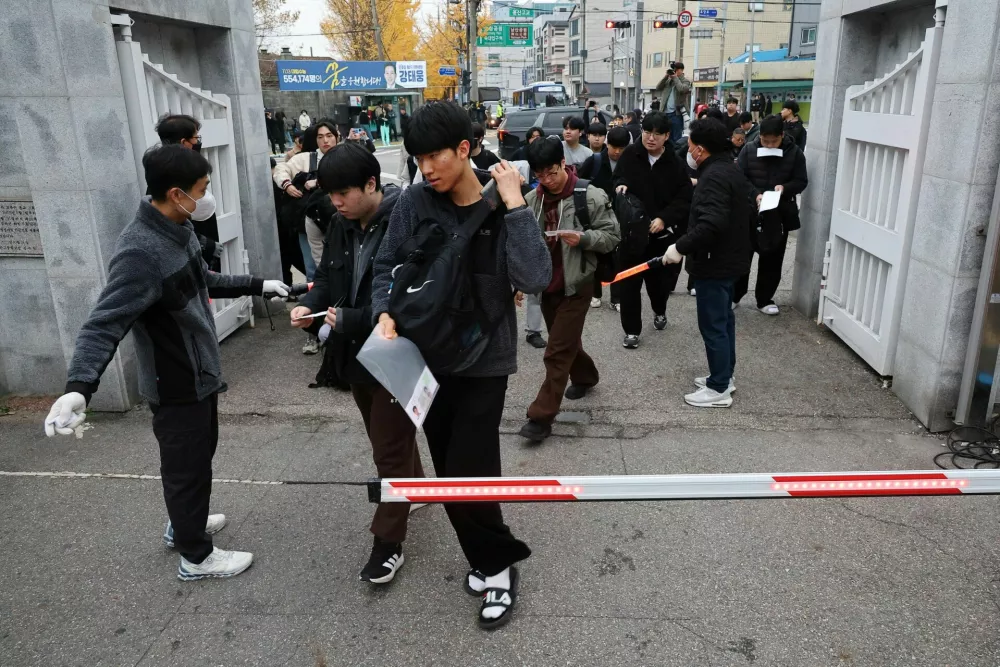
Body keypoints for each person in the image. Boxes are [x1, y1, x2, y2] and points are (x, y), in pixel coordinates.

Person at [44, 144, 288, 580]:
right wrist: (79, 386)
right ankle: (196, 557)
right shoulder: (139, 252)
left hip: (201, 373)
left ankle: (184, 525)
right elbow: (103, 323)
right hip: (174, 381)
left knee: (198, 458)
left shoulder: (179, 228)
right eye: (203, 189)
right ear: (177, 194)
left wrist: (258, 284)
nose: (207, 197)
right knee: (185, 468)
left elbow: (204, 279)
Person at [370, 100, 551, 629]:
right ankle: (488, 556)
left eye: (436, 156)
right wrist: (383, 310)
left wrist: (516, 206)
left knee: (470, 468)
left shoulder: (502, 203)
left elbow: (535, 278)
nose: (427, 169)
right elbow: (386, 263)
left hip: (484, 360)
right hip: (424, 358)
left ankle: (497, 567)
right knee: (449, 473)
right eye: (418, 159)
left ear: (465, 149)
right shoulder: (413, 202)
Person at [289, 143, 422, 584]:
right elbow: (327, 278)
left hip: (396, 351)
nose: (336, 202)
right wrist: (309, 307)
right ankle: (417, 485)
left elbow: (411, 299)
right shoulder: (339, 223)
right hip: (353, 355)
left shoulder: (407, 221)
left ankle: (388, 544)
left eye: (343, 193)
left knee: (388, 451)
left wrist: (352, 319)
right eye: (330, 194)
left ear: (371, 184)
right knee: (386, 438)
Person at [519, 136, 620, 442]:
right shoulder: (532, 200)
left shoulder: (589, 196)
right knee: (566, 341)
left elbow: (612, 236)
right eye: (539, 175)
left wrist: (584, 238)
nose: (546, 180)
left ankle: (541, 417)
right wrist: (518, 283)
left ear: (563, 163)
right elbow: (523, 245)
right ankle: (586, 376)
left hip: (578, 283)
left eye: (551, 173)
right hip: (547, 285)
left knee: (556, 350)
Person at [661, 118, 751, 408]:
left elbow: (711, 223)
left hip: (715, 262)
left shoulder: (714, 177)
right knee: (723, 321)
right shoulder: (728, 168)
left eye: (689, 146)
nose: (688, 151)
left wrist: (679, 247)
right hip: (729, 259)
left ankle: (718, 388)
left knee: (714, 325)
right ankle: (724, 375)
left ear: (700, 149)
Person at [612, 111, 693, 349]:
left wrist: (664, 219)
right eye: (647, 132)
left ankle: (659, 310)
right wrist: (620, 185)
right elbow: (617, 178)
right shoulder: (630, 154)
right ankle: (631, 331)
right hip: (631, 233)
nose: (651, 138)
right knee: (629, 284)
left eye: (657, 134)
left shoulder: (675, 163)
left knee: (658, 285)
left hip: (660, 236)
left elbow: (684, 198)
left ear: (667, 136)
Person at [273, 119, 340, 354]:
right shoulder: (306, 159)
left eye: (329, 135)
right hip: (311, 222)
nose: (325, 141)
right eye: (320, 137)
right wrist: (286, 184)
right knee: (314, 273)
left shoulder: (346, 156)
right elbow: (281, 169)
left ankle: (338, 326)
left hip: (342, 222)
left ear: (337, 136)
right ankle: (314, 331)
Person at [734, 114, 808, 315]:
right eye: (765, 140)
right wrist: (754, 195)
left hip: (778, 213)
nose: (768, 145)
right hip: (749, 212)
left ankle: (764, 299)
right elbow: (739, 178)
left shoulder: (794, 153)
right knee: (742, 255)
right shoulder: (749, 149)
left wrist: (785, 188)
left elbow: (801, 180)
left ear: (782, 135)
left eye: (773, 141)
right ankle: (734, 295)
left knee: (773, 258)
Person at [153, 114, 222, 270]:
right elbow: (164, 220)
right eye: (196, 138)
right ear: (184, 142)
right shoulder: (166, 172)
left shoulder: (186, 166)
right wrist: (204, 243)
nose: (198, 142)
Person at [578, 123, 613, 309]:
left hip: (612, 210)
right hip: (591, 211)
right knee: (594, 253)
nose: (597, 138)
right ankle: (595, 293)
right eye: (594, 134)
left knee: (613, 254)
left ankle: (616, 297)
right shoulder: (590, 159)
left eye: (601, 135)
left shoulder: (612, 155)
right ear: (588, 136)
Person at [654, 62, 691, 141]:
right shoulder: (668, 81)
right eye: (673, 69)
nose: (674, 71)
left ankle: (676, 149)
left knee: (676, 138)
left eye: (676, 69)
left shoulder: (686, 81)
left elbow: (682, 89)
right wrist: (666, 76)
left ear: (681, 70)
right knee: (665, 136)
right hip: (664, 113)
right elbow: (658, 87)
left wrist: (675, 78)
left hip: (676, 114)